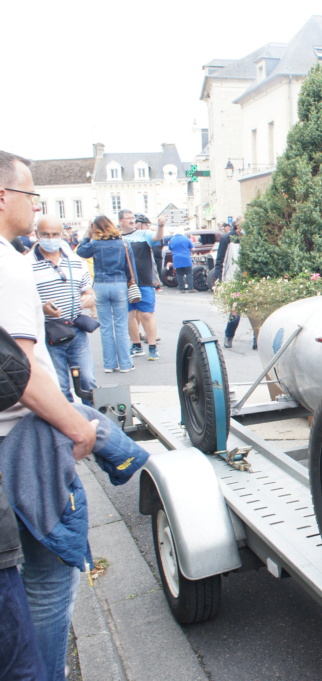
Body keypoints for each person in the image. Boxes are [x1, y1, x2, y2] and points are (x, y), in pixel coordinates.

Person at [0, 149, 99, 681]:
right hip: (21, 445)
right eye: (31, 195)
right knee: (47, 584)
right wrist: (76, 425)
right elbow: (21, 372)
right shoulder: (9, 266)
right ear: (3, 196)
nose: (35, 207)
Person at [31, 216, 97, 405]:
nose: (50, 238)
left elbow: (88, 291)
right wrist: (42, 308)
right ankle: (68, 428)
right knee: (59, 385)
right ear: (37, 234)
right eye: (45, 234)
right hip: (48, 331)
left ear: (62, 235)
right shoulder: (27, 264)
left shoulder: (75, 261)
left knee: (88, 380)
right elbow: (24, 300)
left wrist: (88, 299)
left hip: (75, 328)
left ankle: (93, 422)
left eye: (54, 234)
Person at [77, 216, 136, 373]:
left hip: (101, 285)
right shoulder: (123, 243)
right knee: (121, 326)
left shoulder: (95, 244)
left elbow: (81, 252)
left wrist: (87, 234)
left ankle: (109, 364)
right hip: (119, 285)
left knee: (105, 327)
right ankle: (125, 364)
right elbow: (131, 267)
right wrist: (132, 284)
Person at [121, 212, 167, 361]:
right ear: (121, 221)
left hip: (144, 280)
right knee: (129, 315)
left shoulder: (144, 234)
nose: (131, 220)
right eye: (127, 218)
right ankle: (136, 345)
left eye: (132, 218)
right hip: (125, 282)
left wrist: (160, 226)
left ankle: (153, 347)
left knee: (146, 314)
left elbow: (157, 237)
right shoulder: (117, 237)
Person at [220, 224, 258, 350]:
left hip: (251, 280)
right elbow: (221, 259)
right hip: (236, 279)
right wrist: (219, 278)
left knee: (255, 313)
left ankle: (257, 339)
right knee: (235, 311)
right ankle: (229, 336)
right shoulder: (229, 239)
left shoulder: (254, 239)